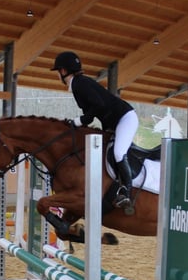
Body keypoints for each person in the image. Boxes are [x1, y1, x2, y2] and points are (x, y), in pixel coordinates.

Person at [51, 51, 139, 210]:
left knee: (119, 152)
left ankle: (127, 192)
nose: (58, 76)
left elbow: (99, 107)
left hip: (125, 118)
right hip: (113, 122)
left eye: (58, 72)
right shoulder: (79, 84)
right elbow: (93, 113)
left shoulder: (80, 84)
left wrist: (77, 121)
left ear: (63, 71)